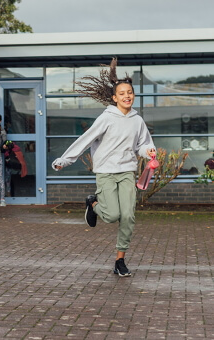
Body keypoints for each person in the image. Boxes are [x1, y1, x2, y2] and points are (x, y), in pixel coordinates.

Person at [51, 58, 156, 277]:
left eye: (130, 92)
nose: (127, 96)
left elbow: (143, 144)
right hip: (106, 172)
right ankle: (93, 203)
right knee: (110, 216)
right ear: (114, 97)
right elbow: (86, 139)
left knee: (127, 216)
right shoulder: (106, 118)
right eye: (122, 93)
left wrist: (149, 152)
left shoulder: (137, 120)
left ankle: (120, 260)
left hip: (127, 171)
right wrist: (65, 159)